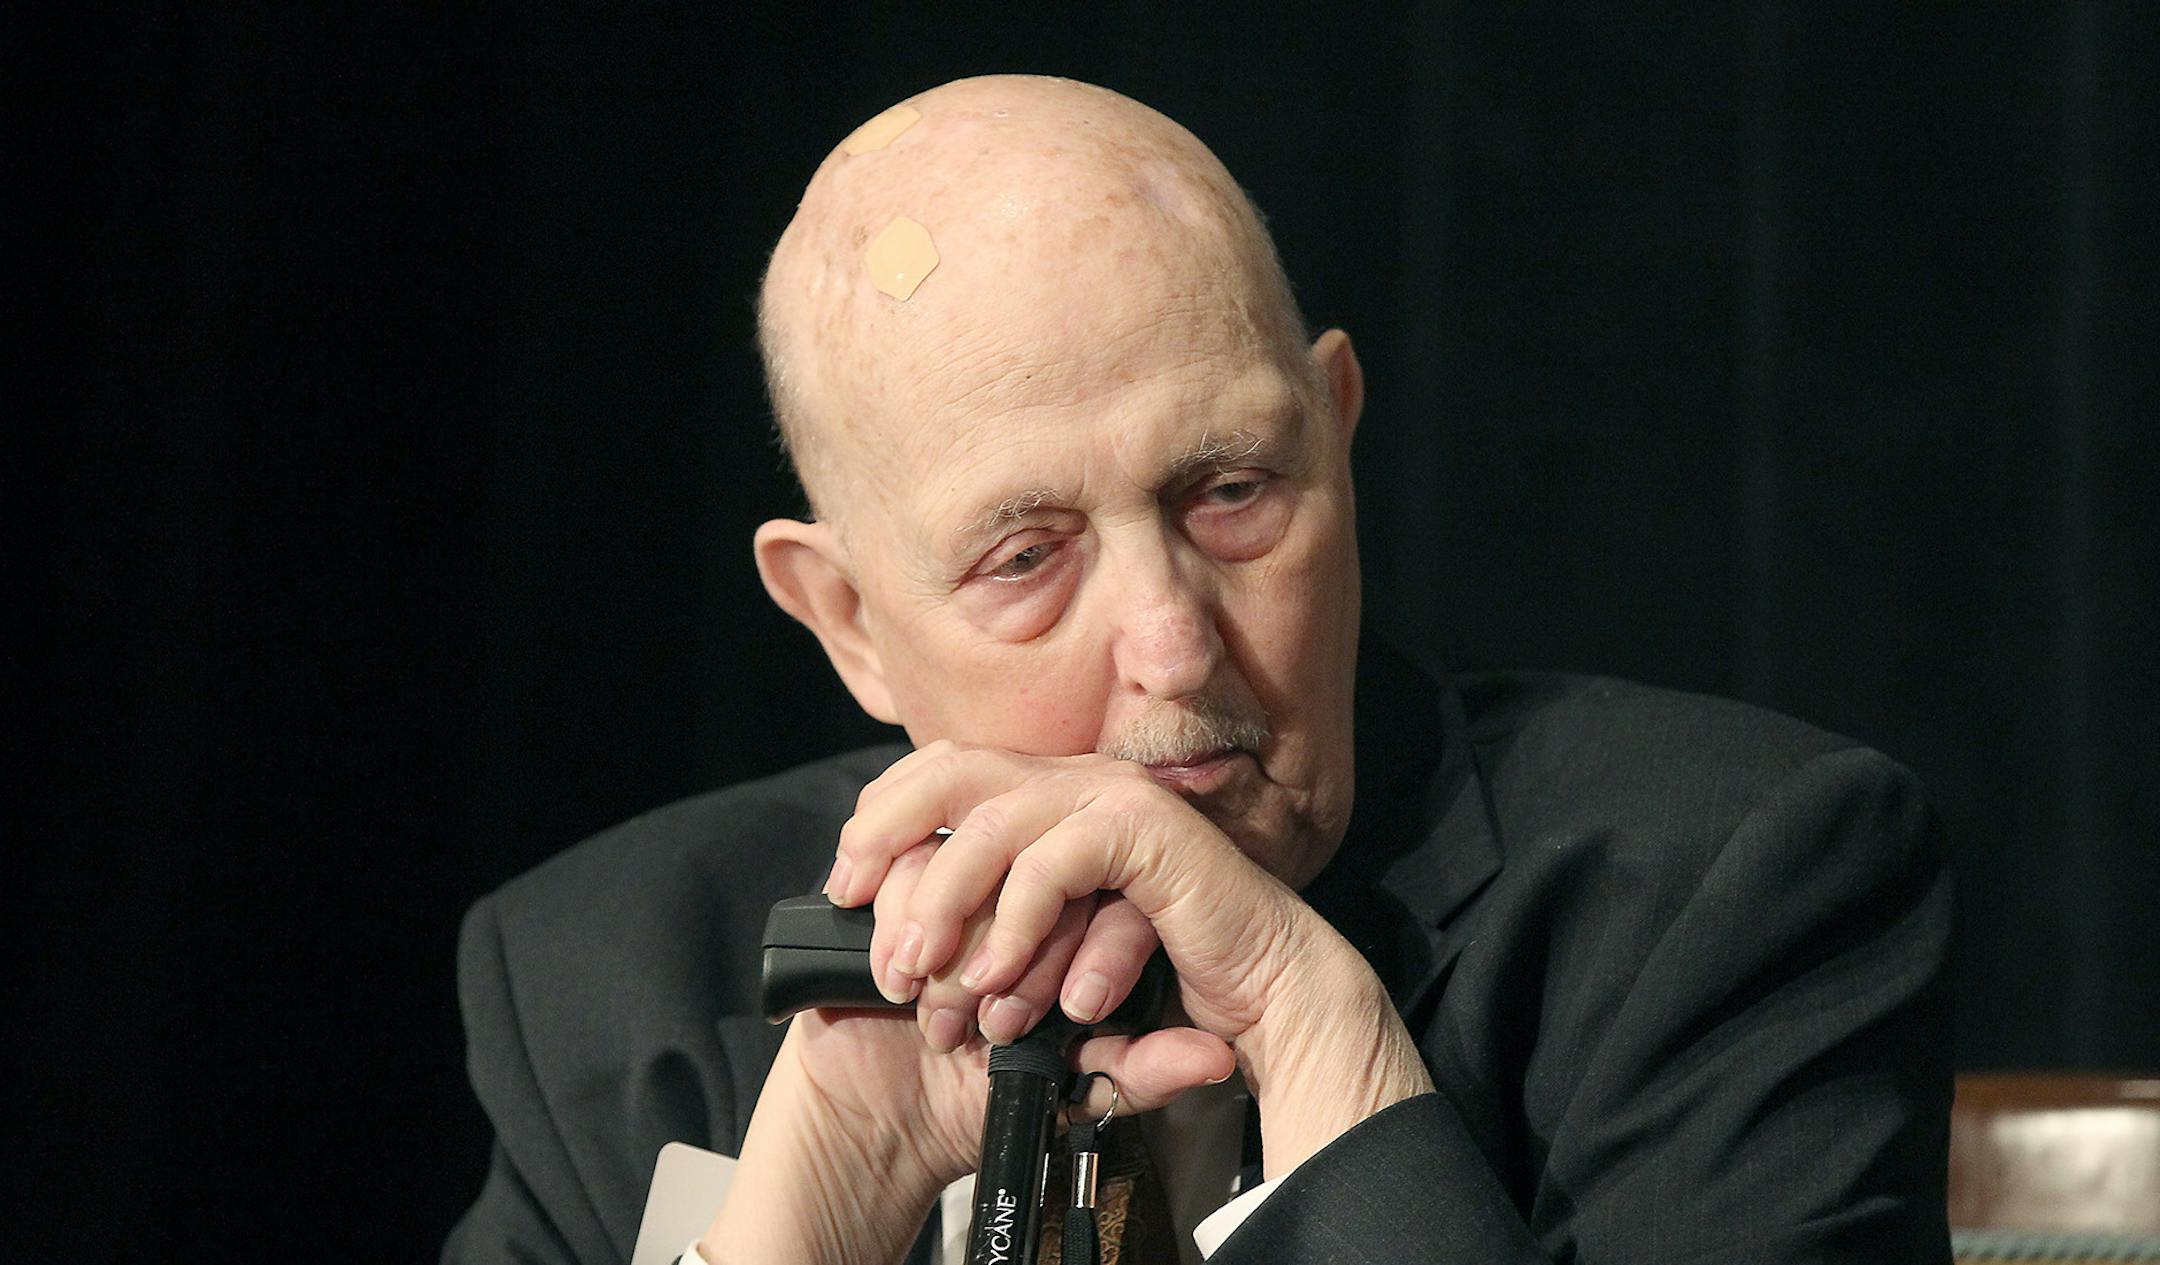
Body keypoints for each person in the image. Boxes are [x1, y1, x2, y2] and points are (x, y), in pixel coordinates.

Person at [443, 75, 1953, 1264]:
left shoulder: (1731, 891)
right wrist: (808, 1211)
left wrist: (1316, 1029)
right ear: (846, 620)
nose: (1174, 641)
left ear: (1338, 438)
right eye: (1027, 557)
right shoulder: (616, 978)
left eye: (1231, 489)